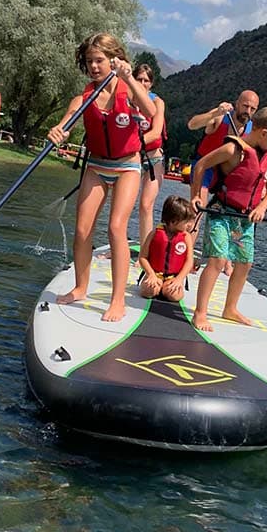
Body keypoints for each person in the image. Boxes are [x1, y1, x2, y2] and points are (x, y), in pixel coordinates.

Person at [47, 33, 156, 322]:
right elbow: (66, 124)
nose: (94, 66)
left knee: (116, 227)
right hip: (96, 166)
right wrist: (58, 131)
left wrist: (129, 77)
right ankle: (80, 288)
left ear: (113, 60)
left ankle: (117, 300)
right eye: (89, 61)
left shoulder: (128, 90)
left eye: (99, 60)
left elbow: (151, 111)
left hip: (127, 167)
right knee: (82, 230)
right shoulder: (83, 97)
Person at [190, 104, 267, 332]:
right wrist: (196, 195)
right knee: (217, 261)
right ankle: (200, 312)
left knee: (245, 263)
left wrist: (262, 207)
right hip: (221, 213)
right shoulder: (233, 149)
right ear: (263, 133)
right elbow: (201, 165)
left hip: (245, 220)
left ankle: (230, 308)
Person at [188, 89, 259, 272]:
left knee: (231, 214)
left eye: (252, 109)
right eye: (245, 106)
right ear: (237, 103)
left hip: (226, 173)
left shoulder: (252, 130)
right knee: (198, 211)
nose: (247, 111)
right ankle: (186, 257)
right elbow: (192, 124)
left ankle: (227, 261)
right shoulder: (222, 116)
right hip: (205, 167)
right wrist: (214, 114)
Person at [133, 62, 166, 244]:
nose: (142, 83)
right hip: (132, 158)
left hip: (154, 158)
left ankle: (145, 248)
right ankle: (117, 244)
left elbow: (155, 132)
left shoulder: (157, 102)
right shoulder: (127, 99)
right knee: (124, 205)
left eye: (146, 80)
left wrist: (131, 145)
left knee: (146, 205)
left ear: (151, 84)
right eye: (139, 79)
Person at [138, 195, 193, 301]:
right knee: (148, 291)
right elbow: (142, 257)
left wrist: (179, 279)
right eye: (186, 222)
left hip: (173, 277)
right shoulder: (154, 233)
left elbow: (189, 261)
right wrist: (151, 274)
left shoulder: (186, 237)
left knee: (174, 296)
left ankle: (165, 288)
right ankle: (158, 287)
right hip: (155, 274)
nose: (189, 225)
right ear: (173, 221)